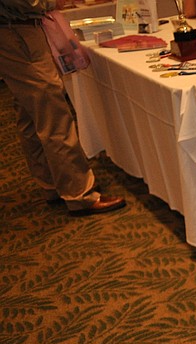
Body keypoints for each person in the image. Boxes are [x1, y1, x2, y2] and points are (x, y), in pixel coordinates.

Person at [0, 0, 125, 215]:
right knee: (52, 114)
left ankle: (52, 182)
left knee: (31, 113)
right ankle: (80, 193)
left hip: (15, 30)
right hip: (17, 32)